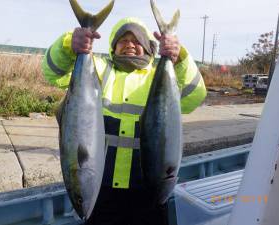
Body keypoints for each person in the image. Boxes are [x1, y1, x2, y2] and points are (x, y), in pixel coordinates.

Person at [42, 17, 207, 225]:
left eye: (137, 40)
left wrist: (180, 57)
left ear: (149, 47)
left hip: (148, 188)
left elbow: (195, 95)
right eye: (123, 40)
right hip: (100, 189)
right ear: (113, 46)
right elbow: (52, 73)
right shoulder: (99, 69)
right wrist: (68, 45)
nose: (129, 45)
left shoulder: (161, 75)